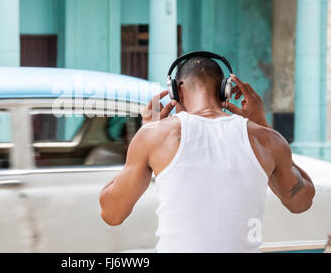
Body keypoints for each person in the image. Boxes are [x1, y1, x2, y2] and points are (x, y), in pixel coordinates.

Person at [99, 56, 315, 253]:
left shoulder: (154, 136)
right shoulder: (266, 140)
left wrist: (147, 133)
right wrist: (264, 126)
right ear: (225, 92)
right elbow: (301, 202)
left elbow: (112, 214)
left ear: (176, 91)